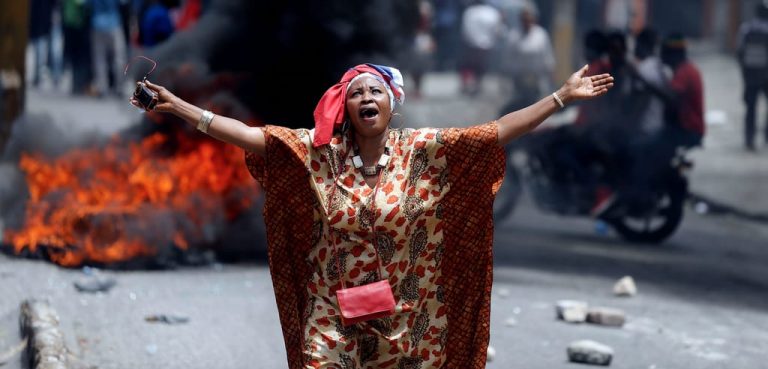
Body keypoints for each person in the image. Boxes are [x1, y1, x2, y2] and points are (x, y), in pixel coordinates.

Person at [131, 63, 612, 368]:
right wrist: (182, 108)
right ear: (346, 108)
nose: (366, 98)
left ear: (391, 105)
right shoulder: (320, 153)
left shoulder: (423, 151)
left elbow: (496, 132)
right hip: (332, 311)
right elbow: (253, 137)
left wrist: (561, 97)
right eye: (357, 92)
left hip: (408, 320)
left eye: (375, 91)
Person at [504, 4, 555, 105]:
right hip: (519, 78)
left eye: (529, 19)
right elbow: (508, 58)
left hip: (536, 78)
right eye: (524, 19)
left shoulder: (541, 34)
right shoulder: (514, 35)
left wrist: (550, 72)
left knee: (535, 103)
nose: (526, 22)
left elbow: (547, 56)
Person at [737, 1, 768, 151]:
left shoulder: (746, 29)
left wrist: (744, 72)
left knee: (751, 108)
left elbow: (739, 52)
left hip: (751, 75)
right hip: (766, 75)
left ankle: (749, 138)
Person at [459, 0, 503, 96]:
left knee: (471, 65)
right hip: (487, 45)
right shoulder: (492, 12)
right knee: (481, 67)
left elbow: (465, 30)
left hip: (472, 44)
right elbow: (497, 30)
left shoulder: (469, 12)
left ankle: (472, 85)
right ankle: (477, 85)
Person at [89, 0, 127, 97]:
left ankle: (102, 87)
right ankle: (120, 87)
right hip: (114, 23)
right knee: (119, 58)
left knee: (100, 59)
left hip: (97, 23)